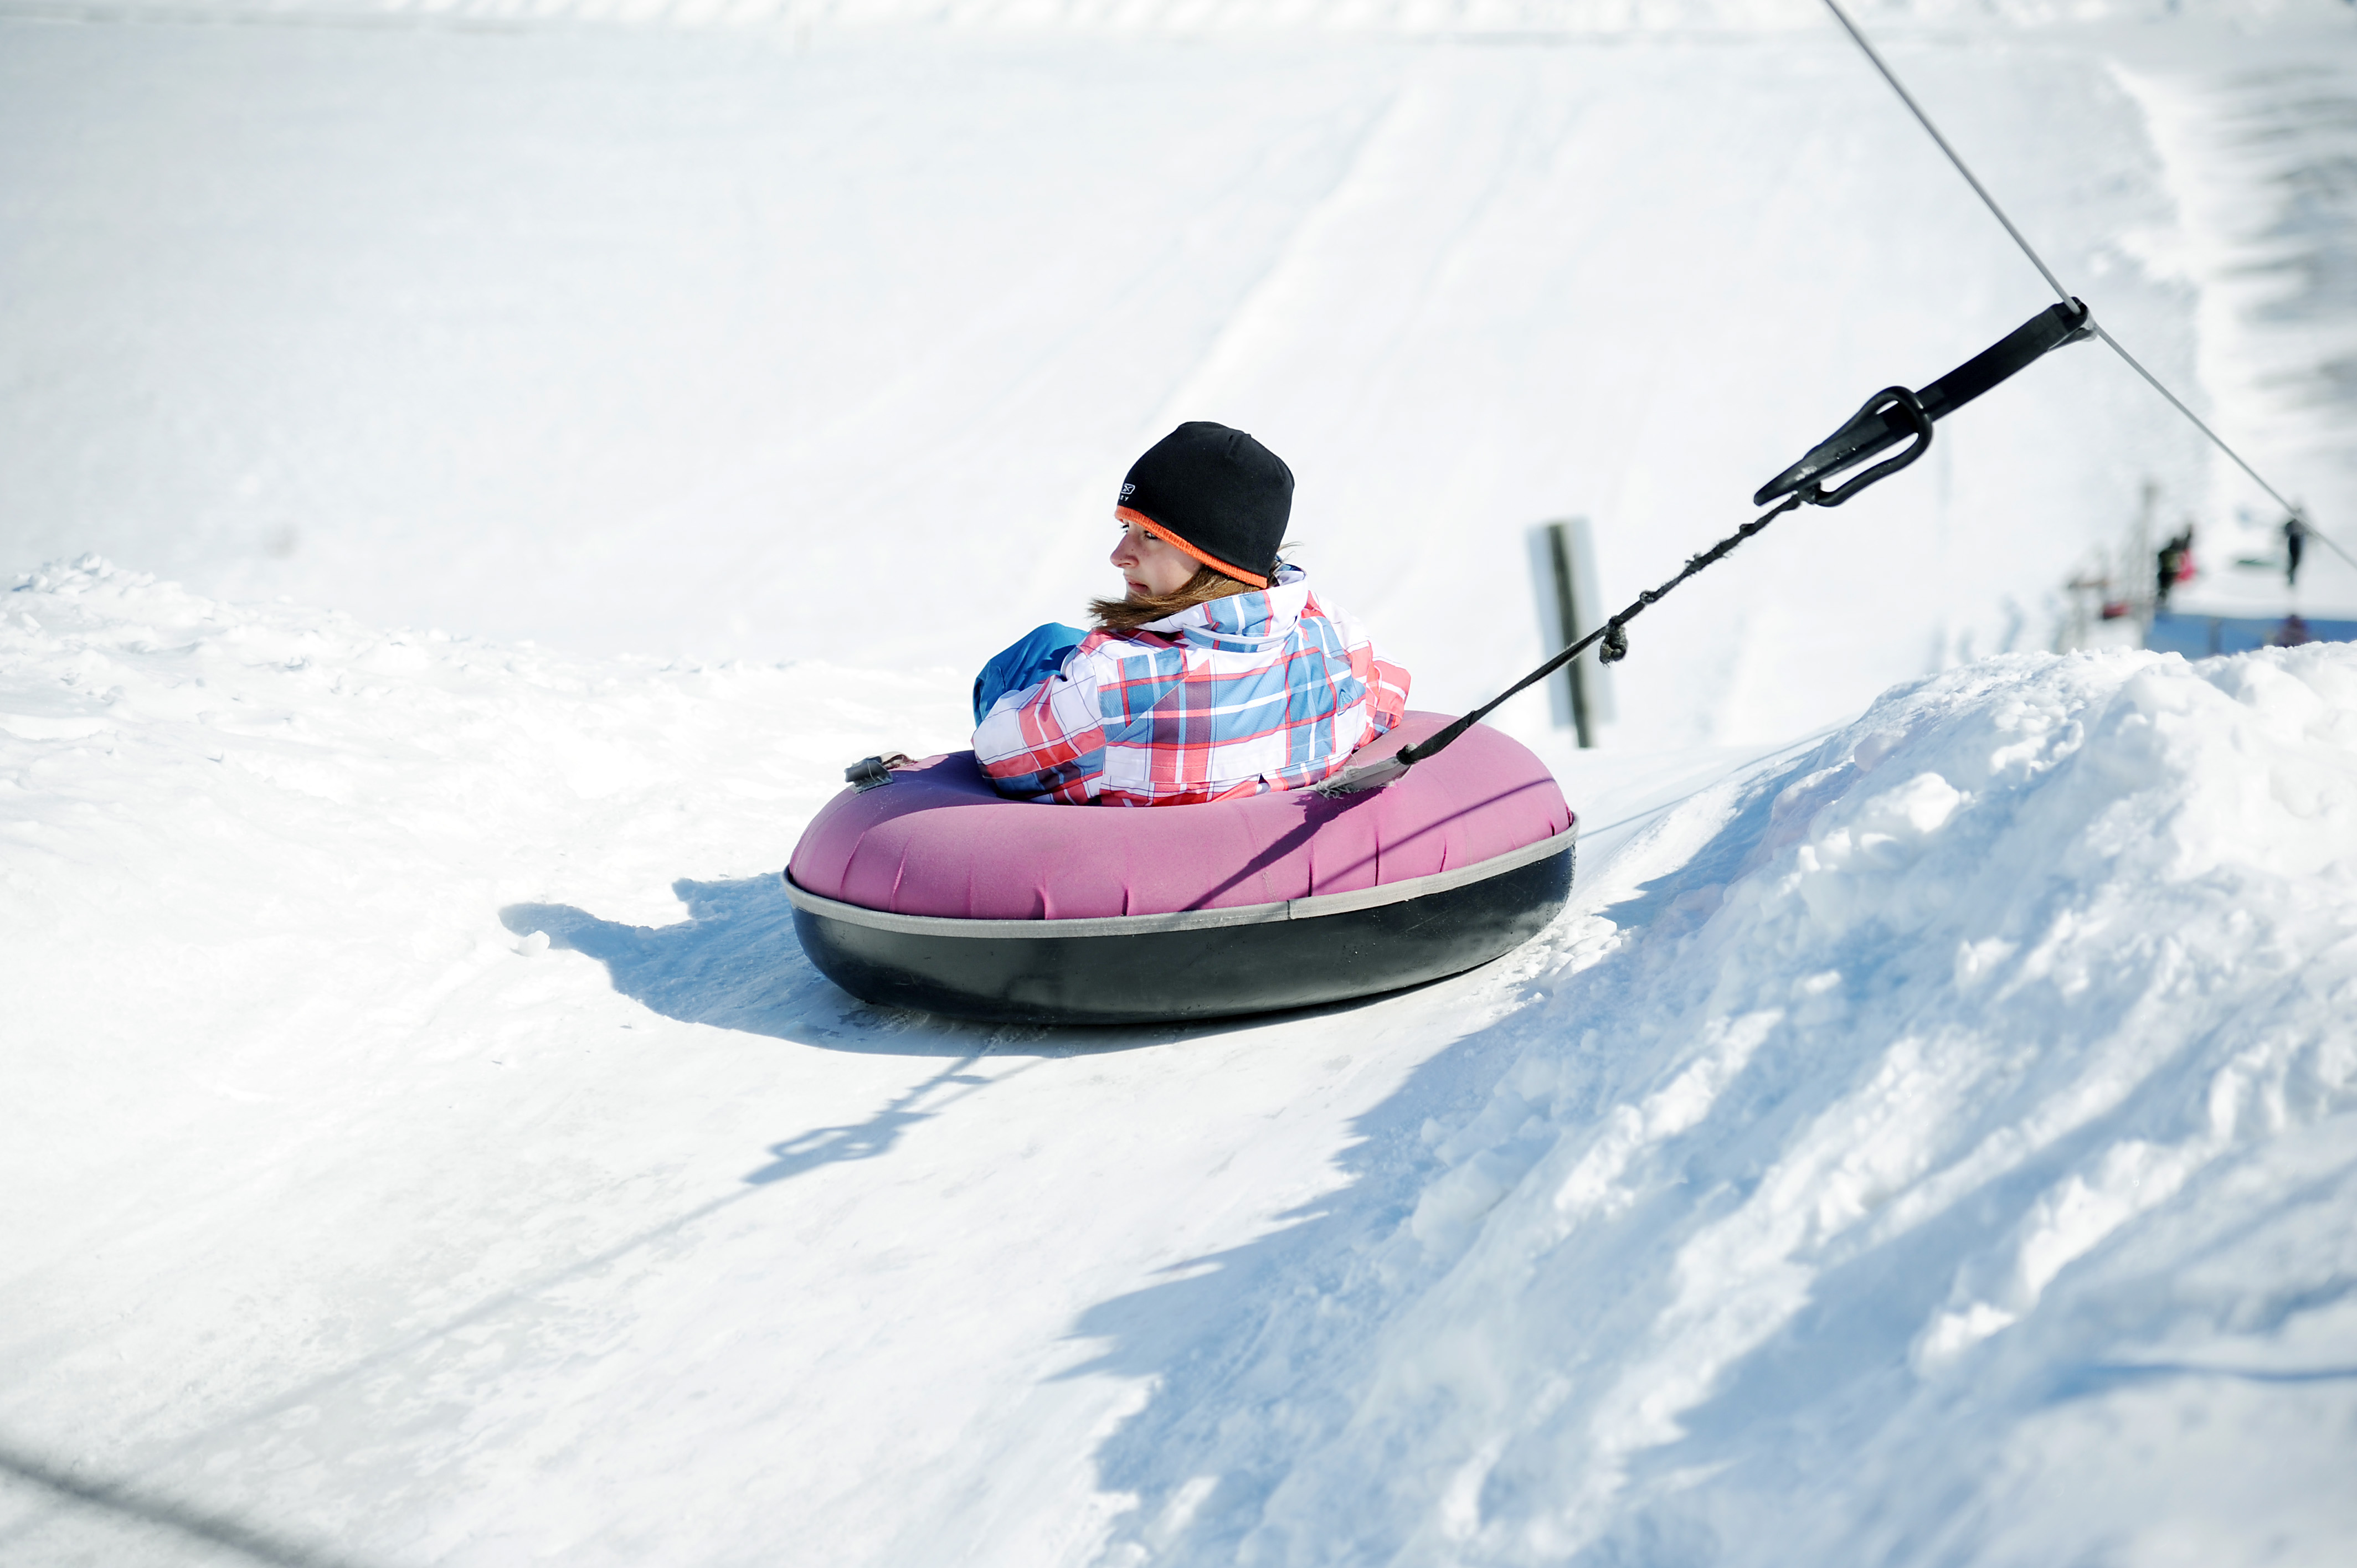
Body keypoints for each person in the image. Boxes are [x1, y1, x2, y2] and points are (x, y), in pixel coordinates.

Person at [972, 421, 1410, 805]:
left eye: (1151, 536)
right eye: (1126, 528)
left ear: (1214, 555)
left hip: (1124, 836)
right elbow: (1390, 693)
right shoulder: (1333, 637)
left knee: (1047, 645)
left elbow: (1000, 758)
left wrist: (1083, 663)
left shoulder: (1111, 683)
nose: (1118, 555)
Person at [2285, 514, 2307, 588]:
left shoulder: (2303, 524)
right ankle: (2291, 576)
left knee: (2297, 561)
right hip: (2293, 542)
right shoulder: (2291, 523)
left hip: (2299, 543)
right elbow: (2286, 532)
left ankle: (2292, 576)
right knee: (2293, 561)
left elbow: (2308, 533)